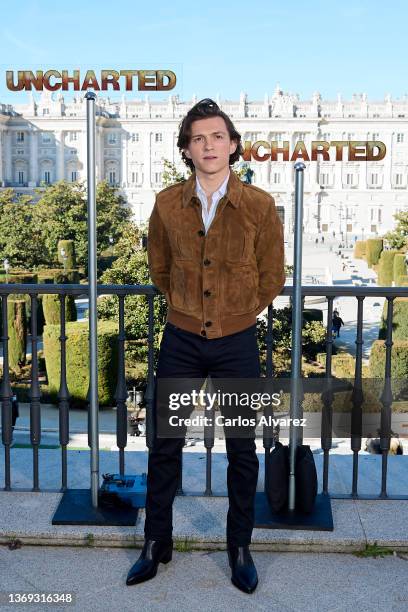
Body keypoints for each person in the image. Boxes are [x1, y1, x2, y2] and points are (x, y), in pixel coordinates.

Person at [125, 98, 285, 594]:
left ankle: (239, 548)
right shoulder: (167, 203)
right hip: (181, 339)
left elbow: (272, 275)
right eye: (198, 138)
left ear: (233, 145)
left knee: (243, 449)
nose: (208, 145)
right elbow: (159, 267)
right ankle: (157, 543)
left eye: (217, 136)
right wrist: (186, 306)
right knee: (164, 443)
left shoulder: (258, 205)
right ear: (187, 148)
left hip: (237, 342)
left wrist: (238, 312)